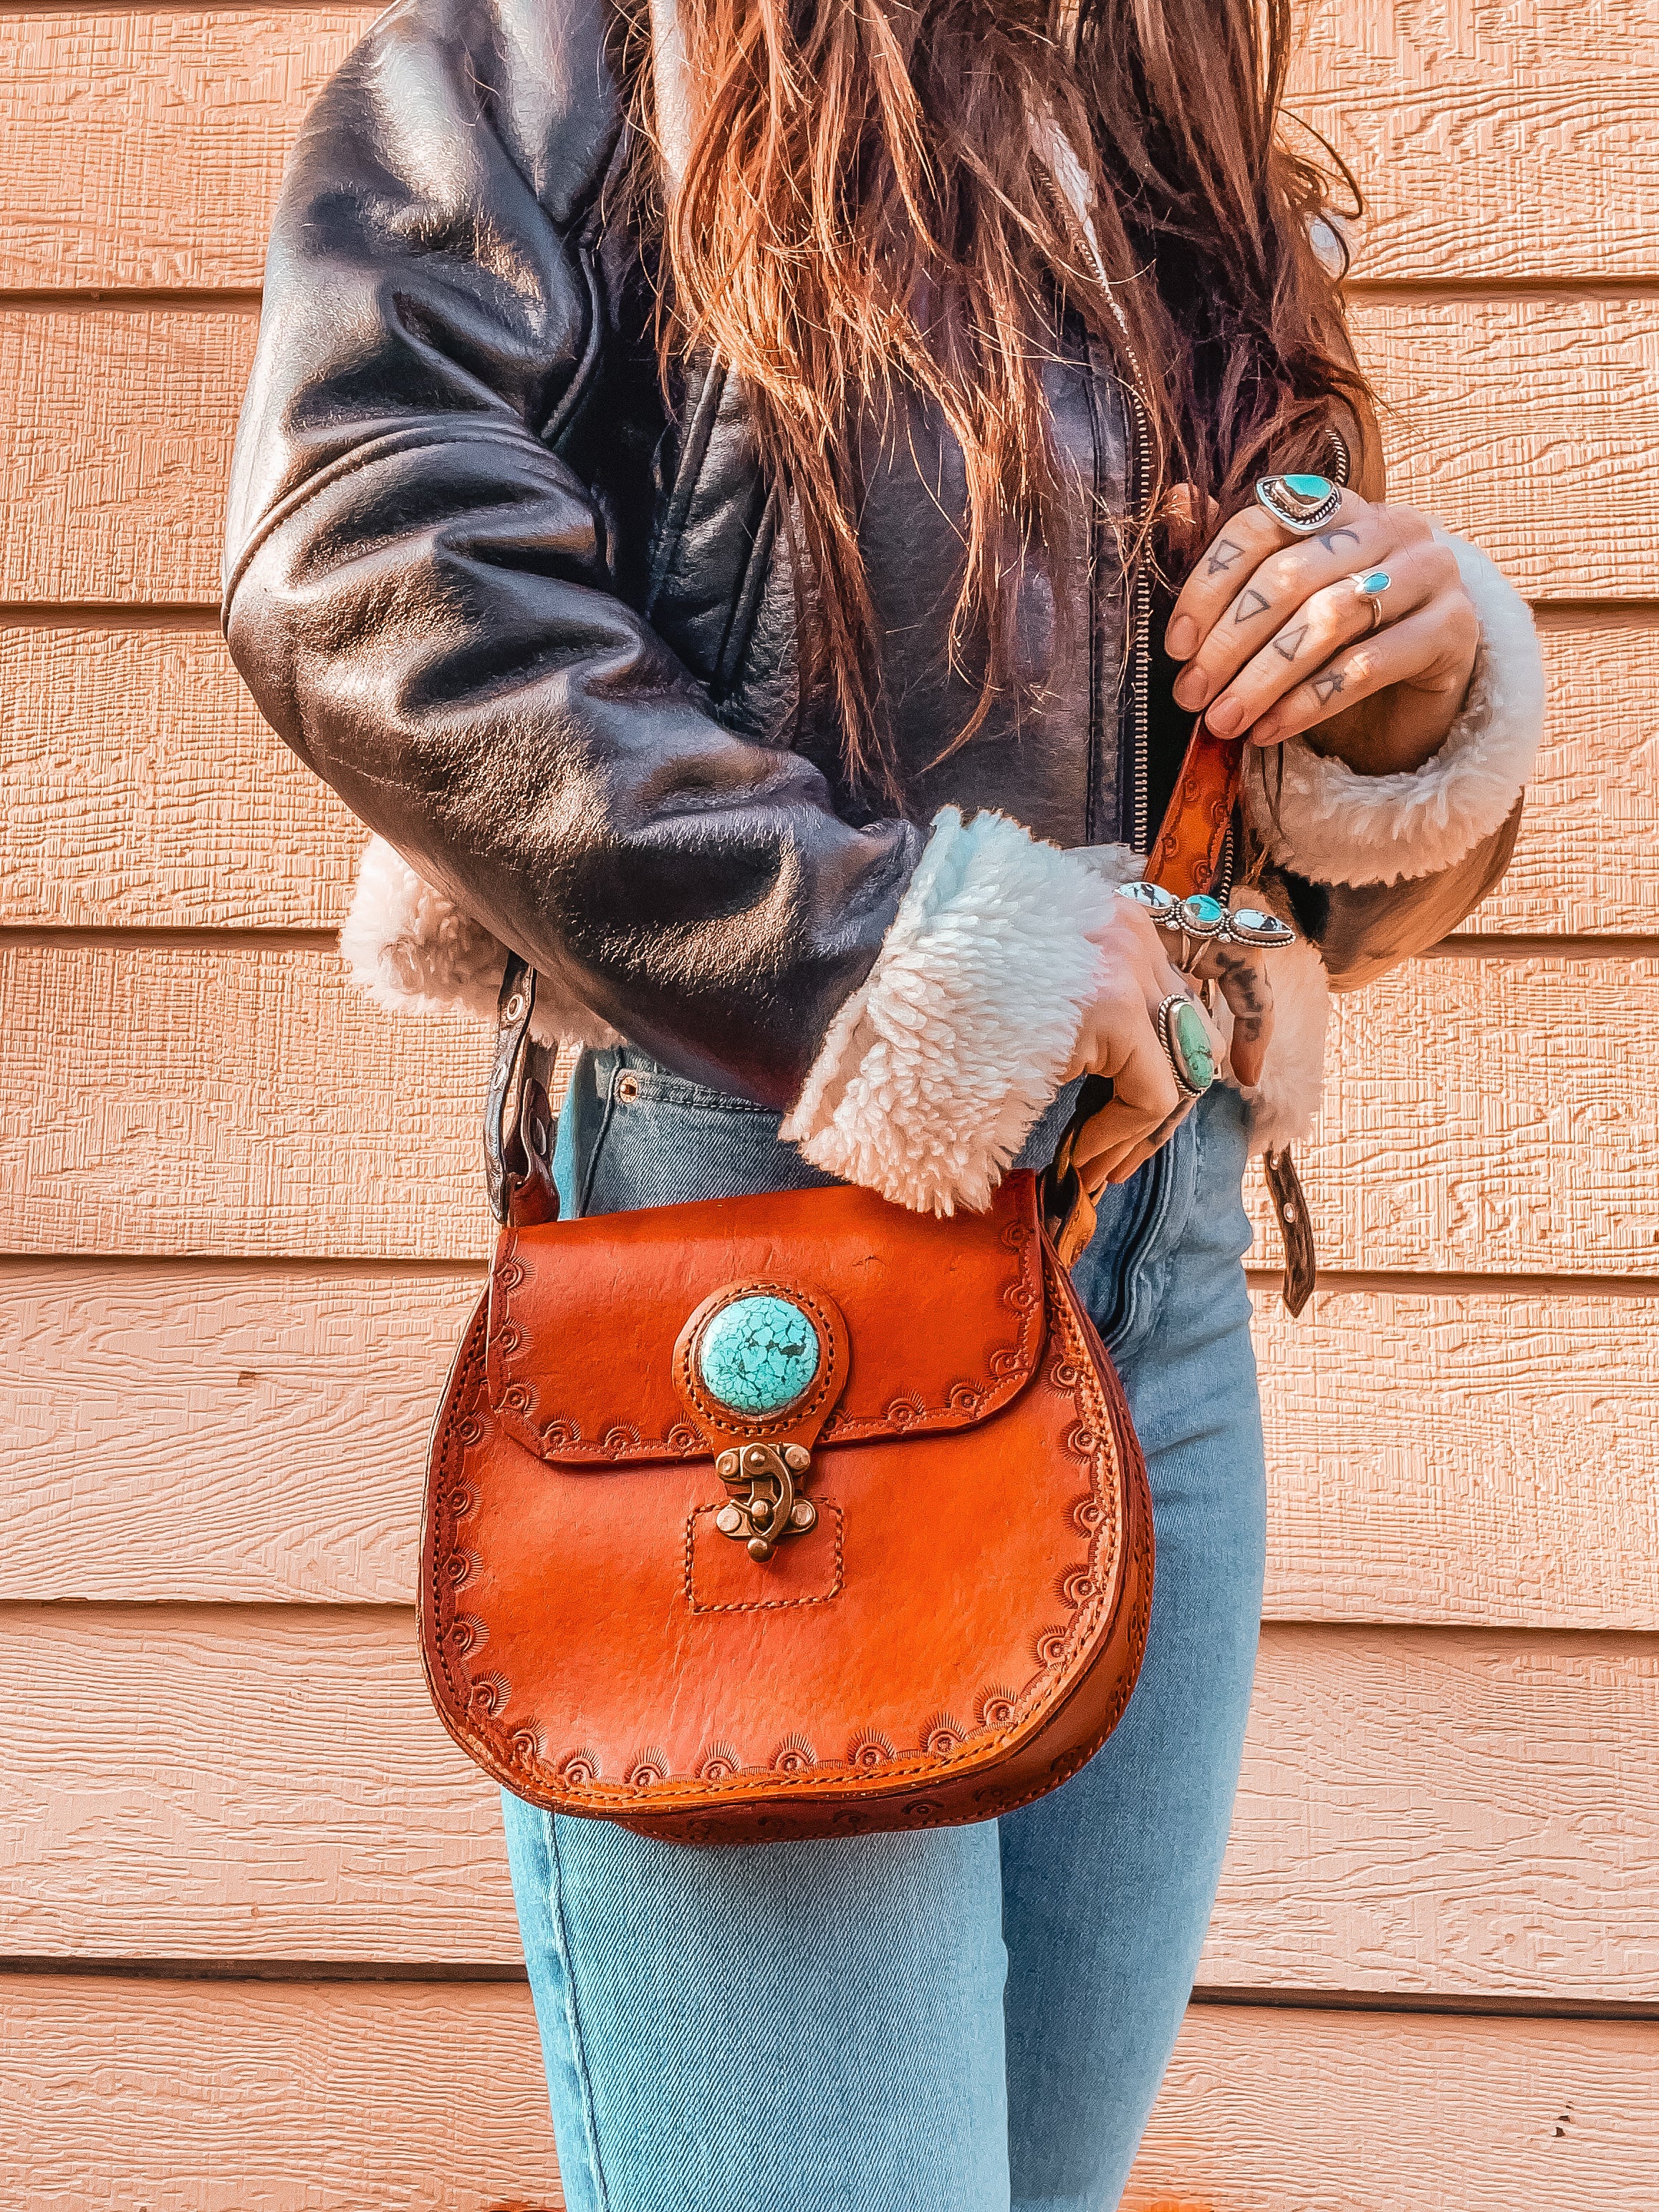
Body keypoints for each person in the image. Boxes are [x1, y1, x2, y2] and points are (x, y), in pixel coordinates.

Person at [223, 0, 1543, 2201]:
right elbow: (361, 562)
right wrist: (885, 948)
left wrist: (1393, 693)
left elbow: (1229, 797)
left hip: (1151, 1251)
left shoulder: (1156, 82)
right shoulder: (560, 56)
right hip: (758, 1254)